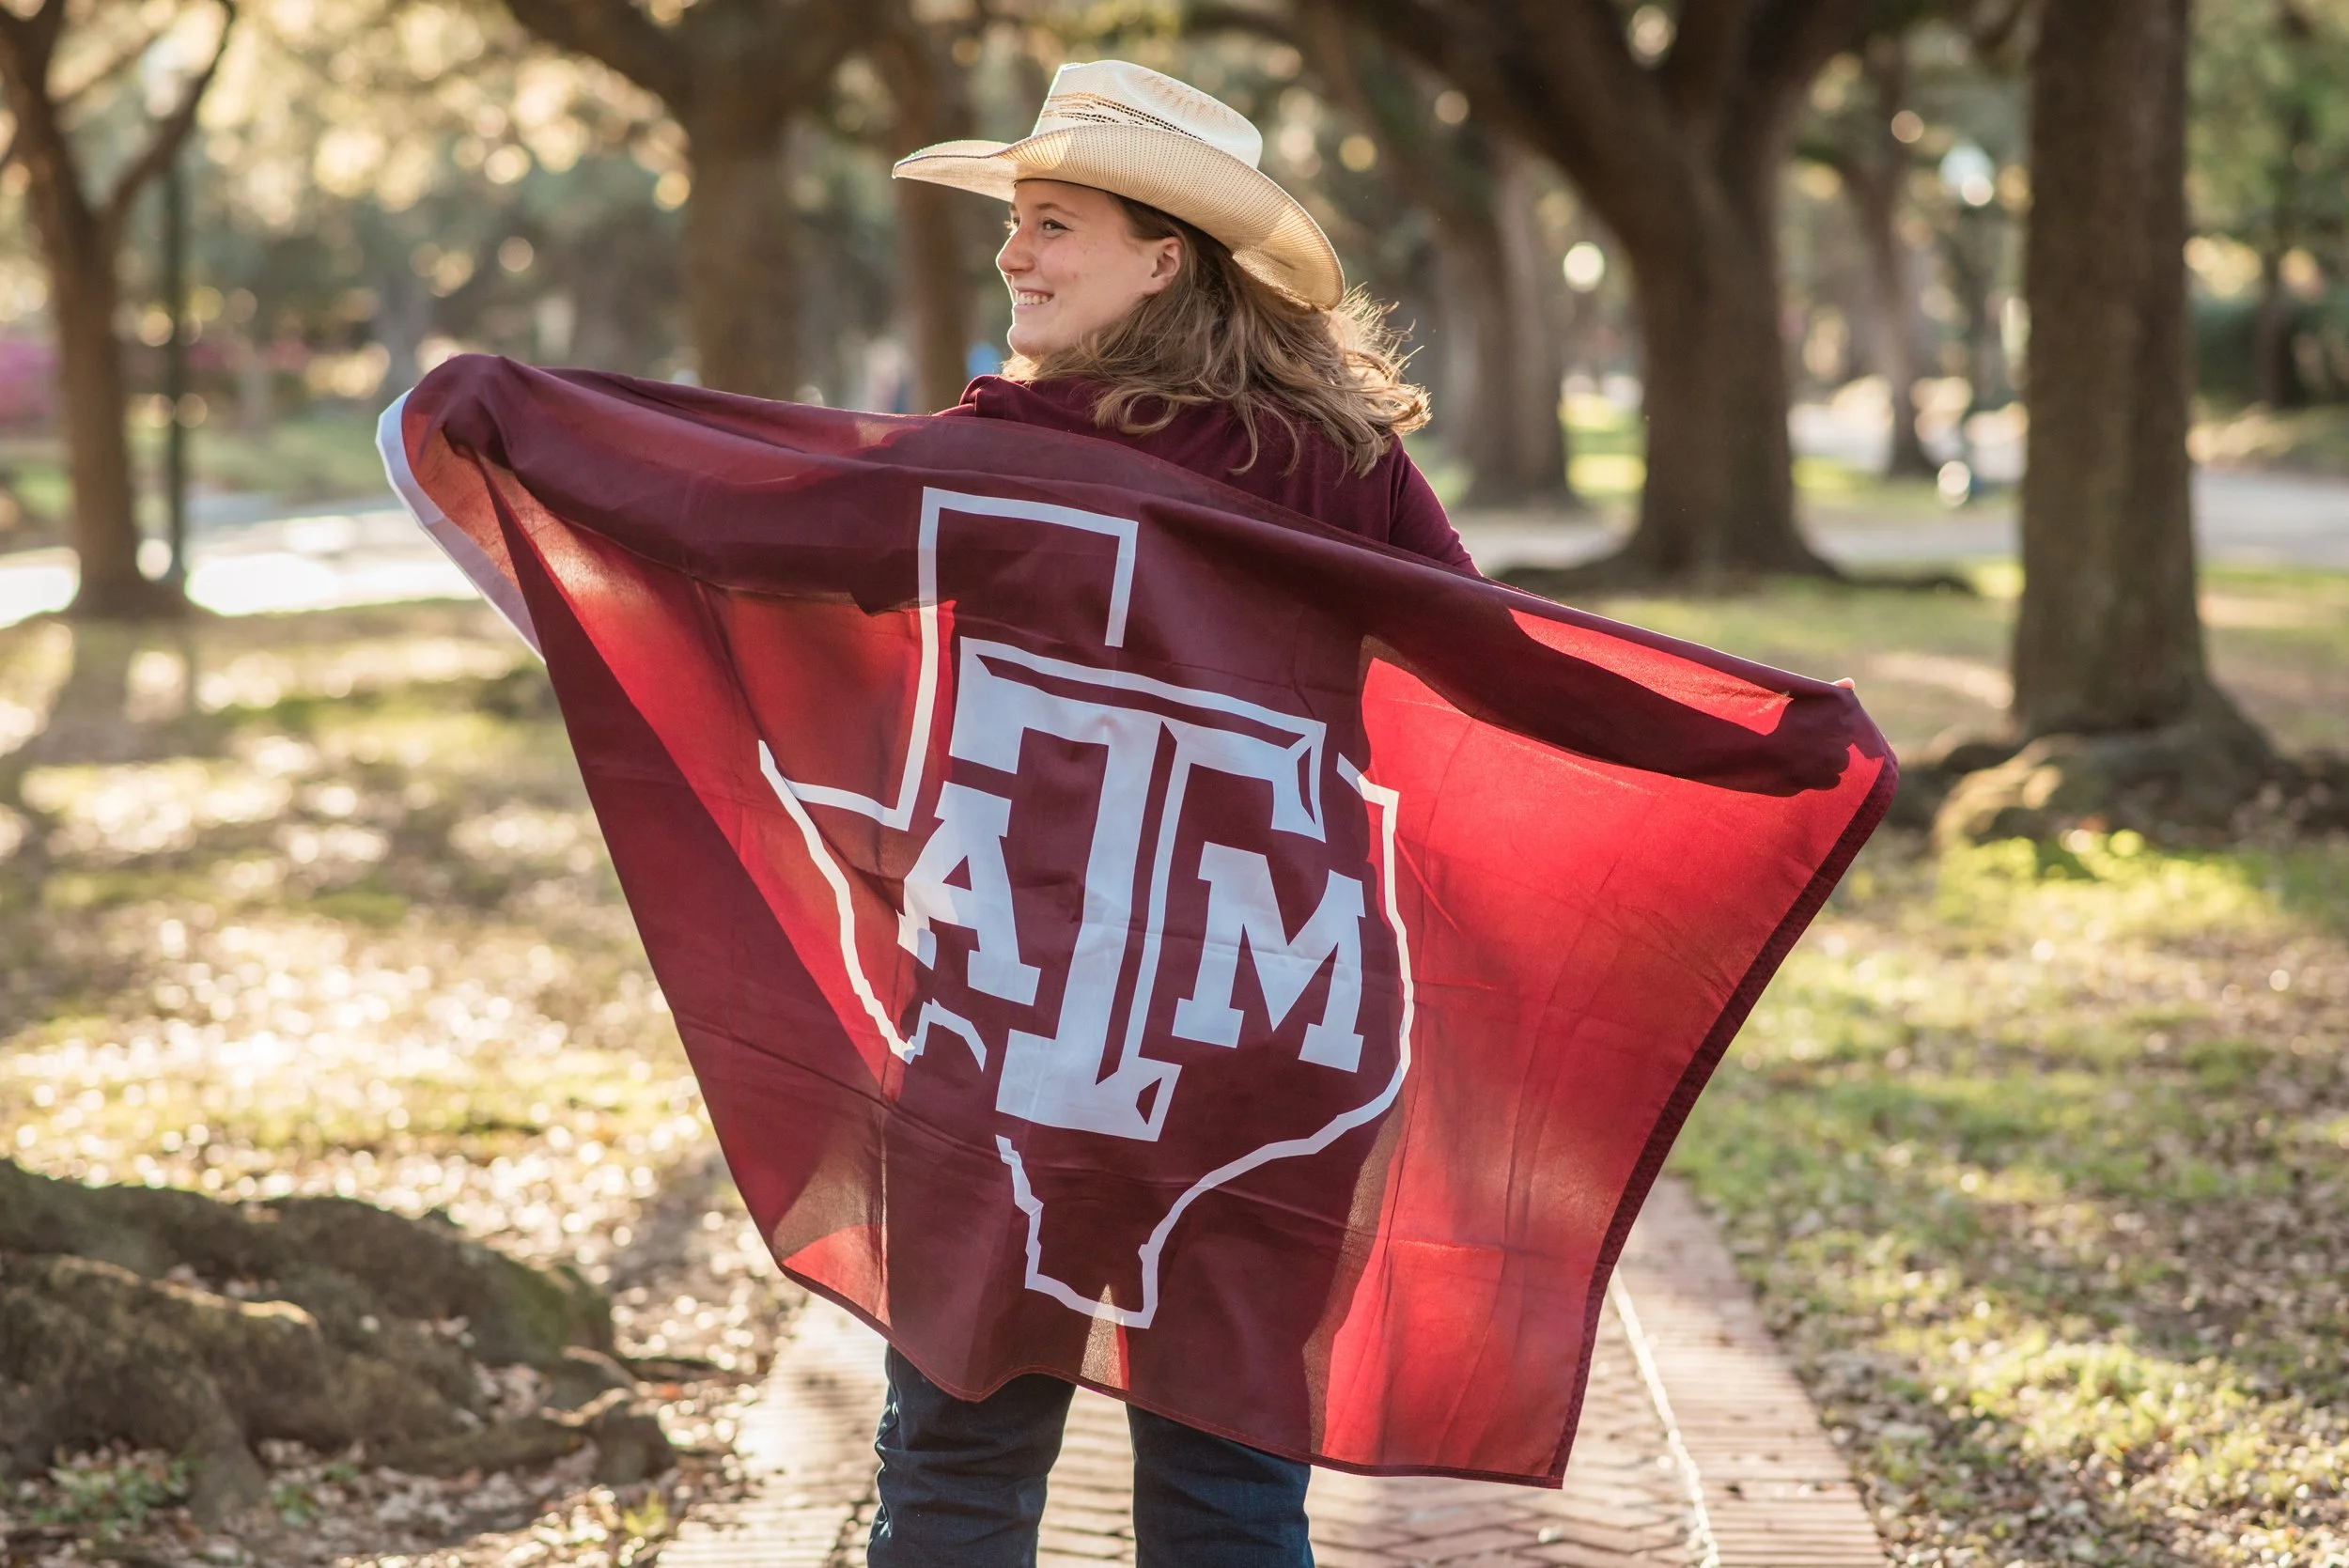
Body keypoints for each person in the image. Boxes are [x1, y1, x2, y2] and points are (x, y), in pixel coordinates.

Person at [871, 59, 1474, 1568]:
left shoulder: (1004, 456)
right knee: (1227, 1492)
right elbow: (1498, 662)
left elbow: (730, 511)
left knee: (958, 1464)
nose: (1014, 252)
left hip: (1026, 1026)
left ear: (1165, 258)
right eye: (1016, 221)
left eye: (1053, 221)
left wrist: (521, 432)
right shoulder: (1346, 464)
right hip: (1268, 1034)